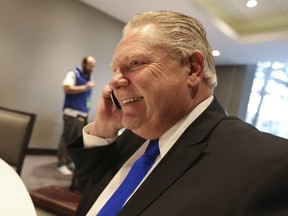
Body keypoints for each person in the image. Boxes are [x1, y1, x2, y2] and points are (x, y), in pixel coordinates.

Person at [68, 11, 288, 215]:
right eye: (115, 69)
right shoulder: (137, 134)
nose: (114, 81)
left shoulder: (270, 165)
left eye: (135, 63)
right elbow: (92, 191)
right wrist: (103, 131)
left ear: (192, 68)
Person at [58, 56, 96, 175]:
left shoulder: (89, 78)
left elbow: (87, 97)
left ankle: (69, 161)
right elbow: (67, 89)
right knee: (67, 138)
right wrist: (85, 87)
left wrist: (87, 110)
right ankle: (61, 163)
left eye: (93, 66)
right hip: (71, 113)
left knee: (75, 140)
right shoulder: (73, 73)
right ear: (85, 64)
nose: (92, 68)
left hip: (82, 113)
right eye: (90, 65)